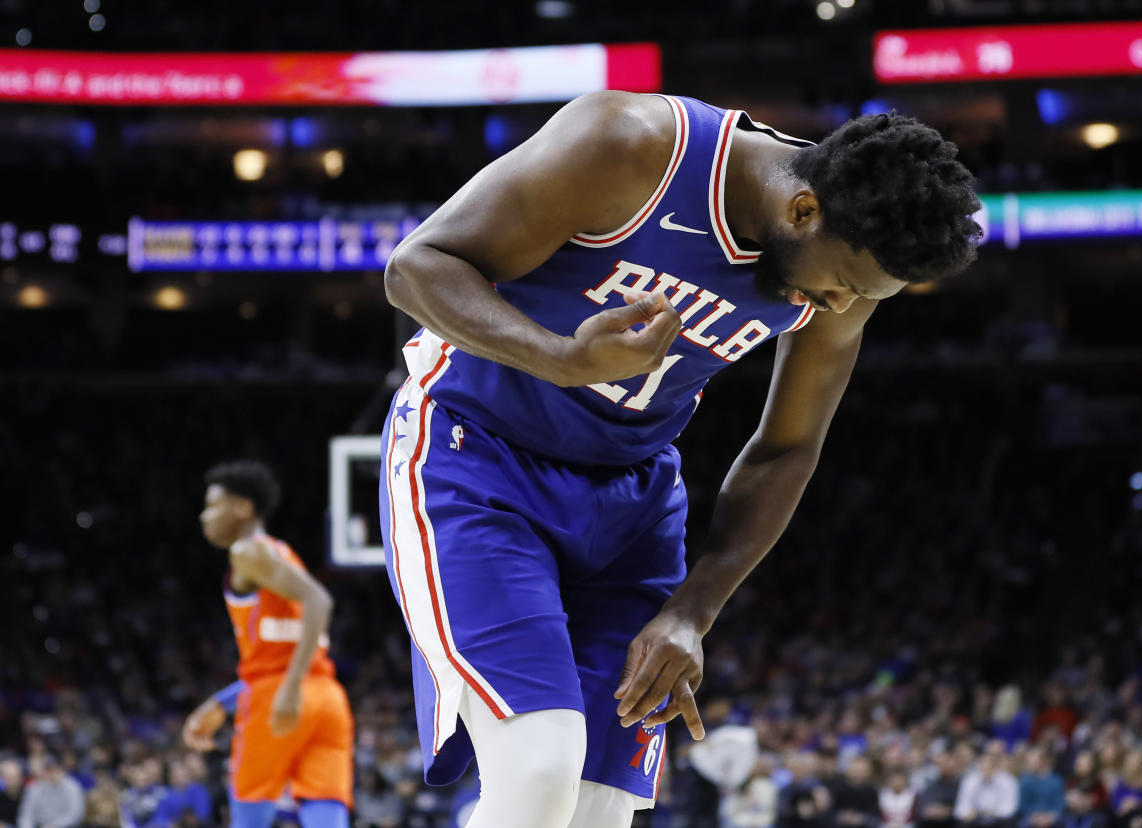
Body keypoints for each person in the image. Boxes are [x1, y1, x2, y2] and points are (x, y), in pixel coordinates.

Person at [380, 89, 981, 828]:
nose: (835, 306)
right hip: (477, 457)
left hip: (633, 499)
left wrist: (693, 615)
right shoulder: (629, 146)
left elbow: (787, 448)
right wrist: (562, 359)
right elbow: (415, 267)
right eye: (843, 286)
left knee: (599, 809)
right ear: (802, 211)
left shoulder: (849, 261)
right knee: (540, 766)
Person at [182, 461, 354, 828]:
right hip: (327, 698)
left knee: (249, 816)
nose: (204, 516)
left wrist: (289, 689)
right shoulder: (283, 553)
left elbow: (319, 601)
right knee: (326, 813)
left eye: (213, 505)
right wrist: (220, 703)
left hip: (278, 694)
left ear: (243, 508)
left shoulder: (247, 552)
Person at [955, 741, 1019, 827]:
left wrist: (994, 812)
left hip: (998, 819)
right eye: (983, 768)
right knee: (962, 823)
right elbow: (960, 808)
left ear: (995, 767)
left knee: (1008, 822)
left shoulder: (1008, 780)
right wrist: (969, 813)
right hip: (976, 818)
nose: (986, 771)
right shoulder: (970, 780)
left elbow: (1010, 807)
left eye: (990, 767)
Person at [16, 755, 84, 828]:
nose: (52, 773)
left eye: (55, 769)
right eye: (48, 769)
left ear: (62, 769)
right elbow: (26, 815)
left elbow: (74, 815)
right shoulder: (33, 788)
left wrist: (53, 825)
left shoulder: (72, 787)